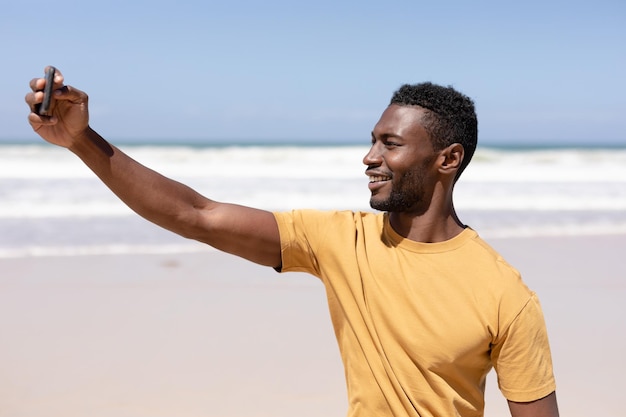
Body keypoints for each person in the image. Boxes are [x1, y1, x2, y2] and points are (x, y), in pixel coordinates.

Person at [25, 67, 559, 417]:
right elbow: (197, 215)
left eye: (390, 144)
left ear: (448, 159)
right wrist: (81, 142)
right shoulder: (339, 239)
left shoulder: (505, 296)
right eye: (372, 140)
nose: (370, 157)